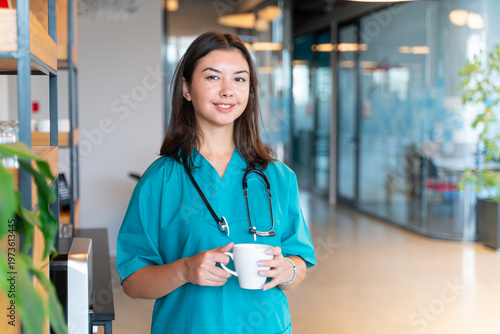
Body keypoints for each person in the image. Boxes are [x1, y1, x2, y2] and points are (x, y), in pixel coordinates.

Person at [116, 31, 316, 334]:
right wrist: (184, 270)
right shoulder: (160, 179)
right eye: (212, 78)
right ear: (186, 89)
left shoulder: (277, 176)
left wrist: (288, 271)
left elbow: (299, 260)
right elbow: (133, 281)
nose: (227, 91)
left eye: (239, 79)